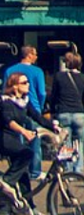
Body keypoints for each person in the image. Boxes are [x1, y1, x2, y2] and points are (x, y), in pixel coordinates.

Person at [0, 71, 54, 212]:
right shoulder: (5, 101)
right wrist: (24, 132)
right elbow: (8, 121)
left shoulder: (24, 101)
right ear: (15, 86)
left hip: (14, 138)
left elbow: (37, 117)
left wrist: (54, 127)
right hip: (3, 137)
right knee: (27, 154)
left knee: (23, 173)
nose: (28, 85)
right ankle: (6, 182)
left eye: (27, 82)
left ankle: (28, 206)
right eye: (24, 83)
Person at [3, 47, 45, 178]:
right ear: (29, 55)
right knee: (34, 144)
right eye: (35, 54)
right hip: (32, 108)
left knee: (20, 144)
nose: (37, 57)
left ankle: (21, 176)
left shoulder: (9, 70)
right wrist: (41, 106)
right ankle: (35, 171)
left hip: (26, 108)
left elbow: (4, 86)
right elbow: (42, 92)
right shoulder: (37, 71)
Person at [49, 52, 84, 174]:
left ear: (66, 63)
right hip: (79, 113)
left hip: (63, 112)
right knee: (79, 142)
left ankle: (68, 170)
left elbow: (54, 96)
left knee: (66, 142)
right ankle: (78, 169)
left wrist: (52, 111)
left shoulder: (59, 77)